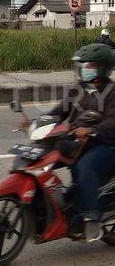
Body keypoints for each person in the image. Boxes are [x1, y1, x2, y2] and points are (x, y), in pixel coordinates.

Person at [36, 44, 115, 242]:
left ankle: (91, 219)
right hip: (77, 142)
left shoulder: (112, 91)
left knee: (84, 167)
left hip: (105, 143)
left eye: (89, 65)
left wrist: (92, 130)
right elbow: (58, 112)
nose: (84, 69)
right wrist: (38, 123)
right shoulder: (79, 89)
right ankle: (50, 207)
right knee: (41, 158)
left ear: (102, 67)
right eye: (82, 65)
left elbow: (112, 121)